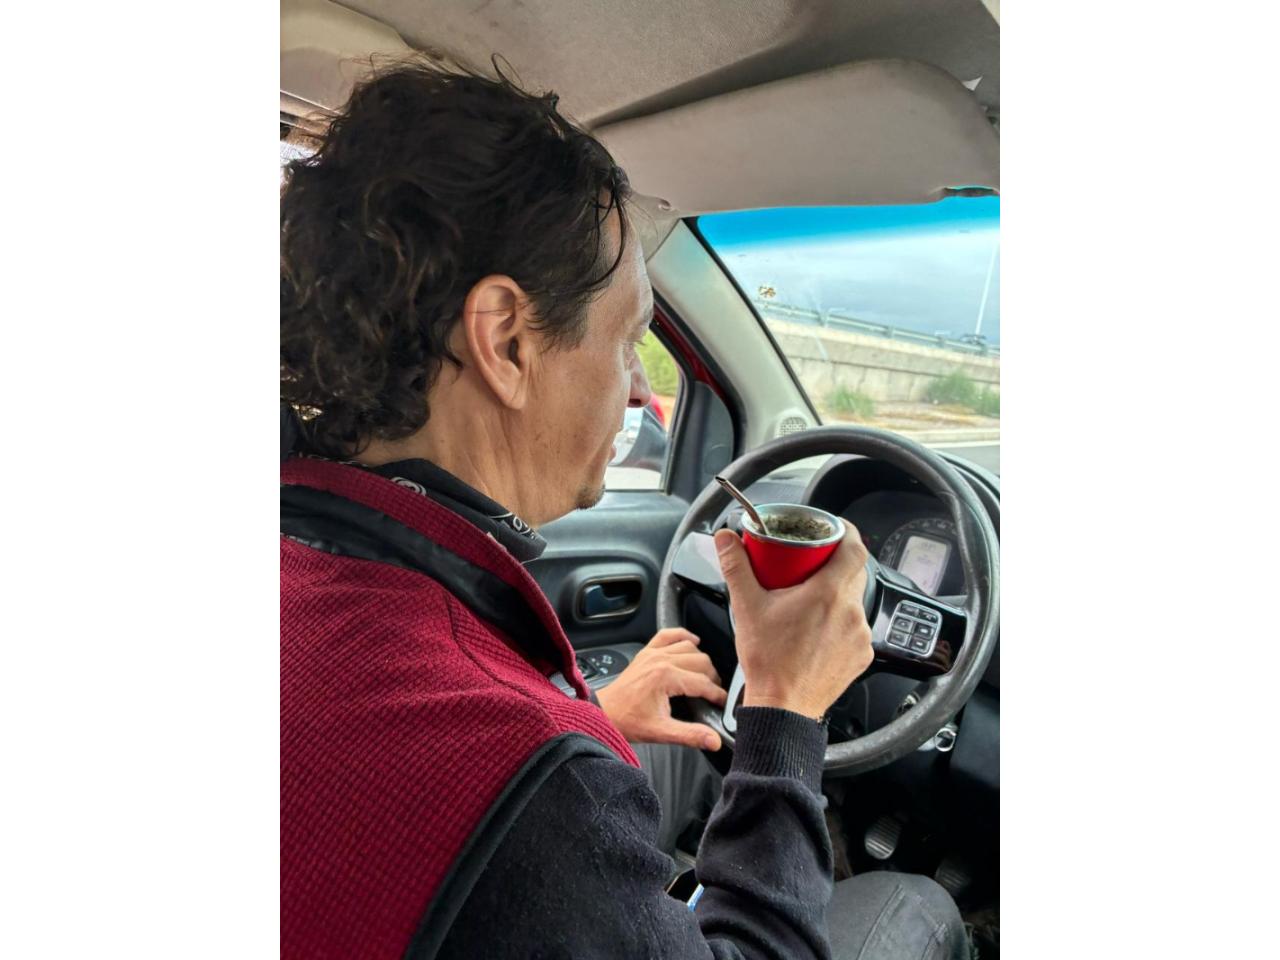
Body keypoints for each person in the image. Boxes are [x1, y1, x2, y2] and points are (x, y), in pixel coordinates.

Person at [280, 59, 968, 959]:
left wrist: (588, 713)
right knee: (916, 903)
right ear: (506, 341)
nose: (643, 390)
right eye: (630, 340)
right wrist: (786, 706)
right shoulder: (540, 790)